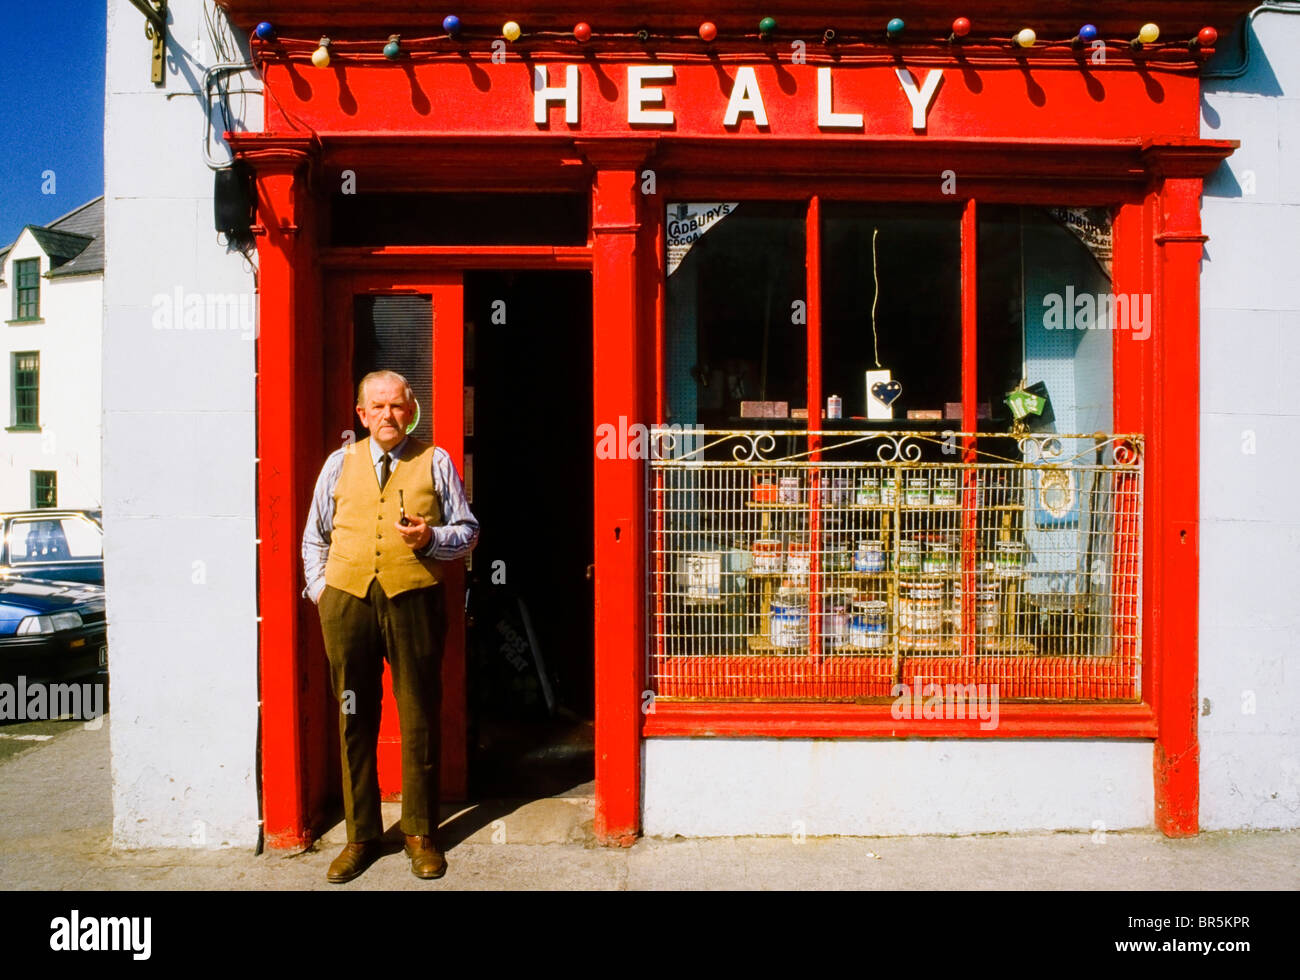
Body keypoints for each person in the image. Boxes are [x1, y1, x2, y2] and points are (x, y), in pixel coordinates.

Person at [302, 369, 479, 883]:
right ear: (361, 414)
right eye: (376, 407)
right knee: (354, 716)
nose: (387, 415)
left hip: (413, 602)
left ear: (411, 410)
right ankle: (361, 835)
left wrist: (430, 541)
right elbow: (314, 535)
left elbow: (468, 533)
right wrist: (322, 593)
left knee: (419, 714)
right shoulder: (339, 463)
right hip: (348, 602)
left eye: (397, 406)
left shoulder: (436, 460)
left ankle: (420, 833)